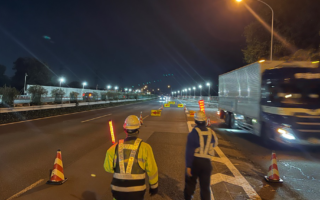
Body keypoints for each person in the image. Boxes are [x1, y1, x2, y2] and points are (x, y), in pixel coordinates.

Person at [104, 115, 158, 200]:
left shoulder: (113, 149)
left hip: (117, 190)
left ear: (125, 130)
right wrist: (154, 186)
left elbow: (108, 168)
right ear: (138, 130)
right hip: (137, 191)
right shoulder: (145, 148)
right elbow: (152, 169)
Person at [184, 111, 218, 200]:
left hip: (195, 162)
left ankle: (188, 197)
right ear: (205, 120)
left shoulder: (194, 132)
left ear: (195, 120)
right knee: (205, 187)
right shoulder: (211, 132)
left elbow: (189, 150)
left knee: (190, 183)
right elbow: (215, 144)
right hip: (207, 163)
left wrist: (188, 166)